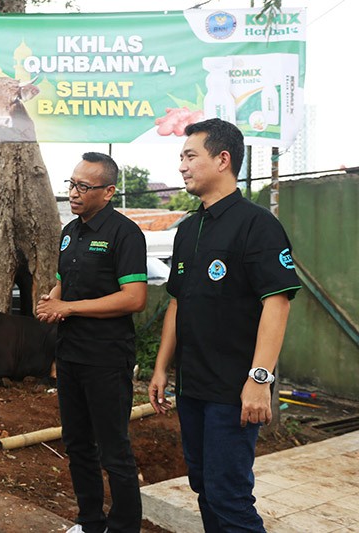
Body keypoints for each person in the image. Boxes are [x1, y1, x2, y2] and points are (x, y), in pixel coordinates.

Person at [148, 118, 302, 532]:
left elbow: (278, 303)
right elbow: (178, 303)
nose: (181, 165)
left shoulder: (257, 225)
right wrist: (162, 367)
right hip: (193, 386)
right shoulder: (189, 229)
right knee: (204, 487)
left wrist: (259, 379)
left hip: (234, 391)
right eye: (181, 156)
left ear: (223, 159)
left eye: (190, 156)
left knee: (229, 497)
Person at [36, 152, 147, 533]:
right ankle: (89, 522)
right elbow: (63, 281)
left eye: (84, 186)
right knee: (77, 444)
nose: (74, 192)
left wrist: (69, 308)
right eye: (71, 184)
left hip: (106, 358)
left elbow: (134, 298)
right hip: (70, 355)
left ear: (109, 191)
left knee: (114, 450)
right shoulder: (70, 232)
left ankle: (124, 527)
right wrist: (53, 301)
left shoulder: (125, 233)